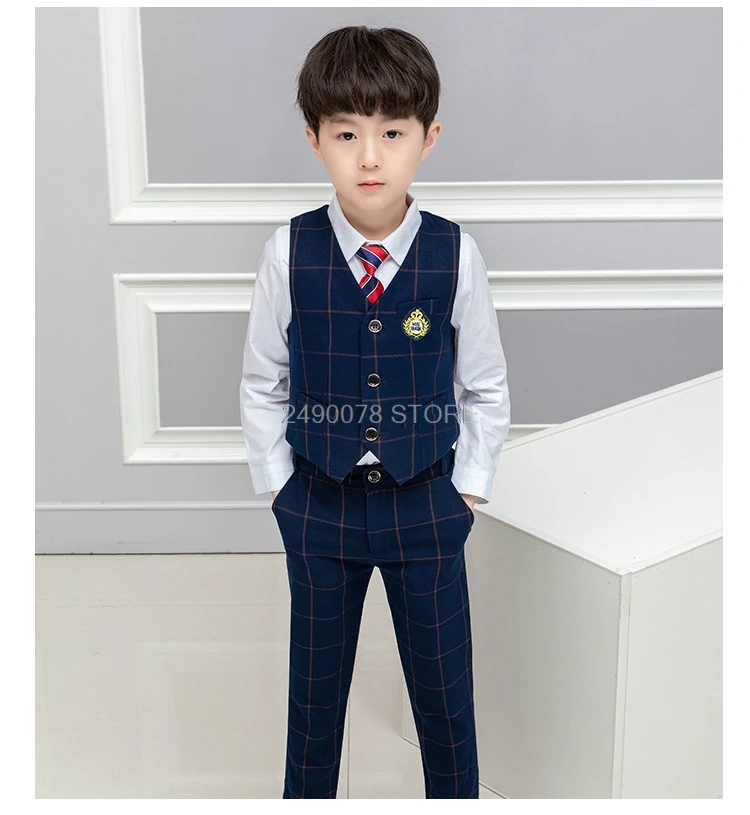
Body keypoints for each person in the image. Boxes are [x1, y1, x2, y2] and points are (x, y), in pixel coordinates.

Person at [239, 25, 511, 799]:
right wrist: (280, 488)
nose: (369, 157)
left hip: (426, 504)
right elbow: (263, 380)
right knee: (315, 696)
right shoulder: (287, 253)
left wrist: (466, 491)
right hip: (318, 505)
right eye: (346, 133)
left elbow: (485, 385)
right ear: (314, 139)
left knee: (444, 696)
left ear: (428, 138)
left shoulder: (455, 255)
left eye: (392, 133)